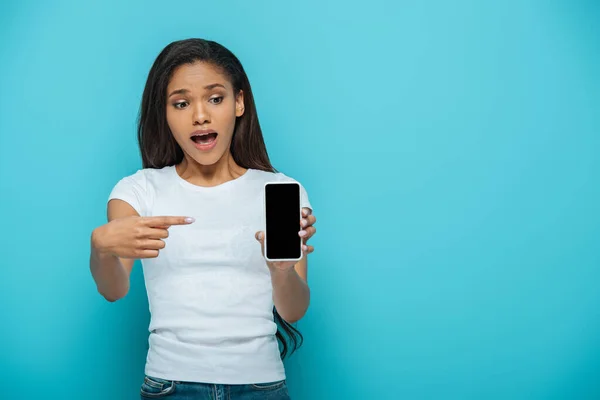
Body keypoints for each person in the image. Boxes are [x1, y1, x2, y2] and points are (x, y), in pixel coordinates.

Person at [89, 38, 317, 399]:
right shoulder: (138, 191)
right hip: (170, 385)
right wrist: (100, 248)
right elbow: (113, 289)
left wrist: (282, 271)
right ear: (164, 113)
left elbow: (294, 310)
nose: (200, 115)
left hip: (261, 386)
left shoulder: (281, 191)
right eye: (181, 103)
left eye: (215, 98)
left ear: (239, 102)